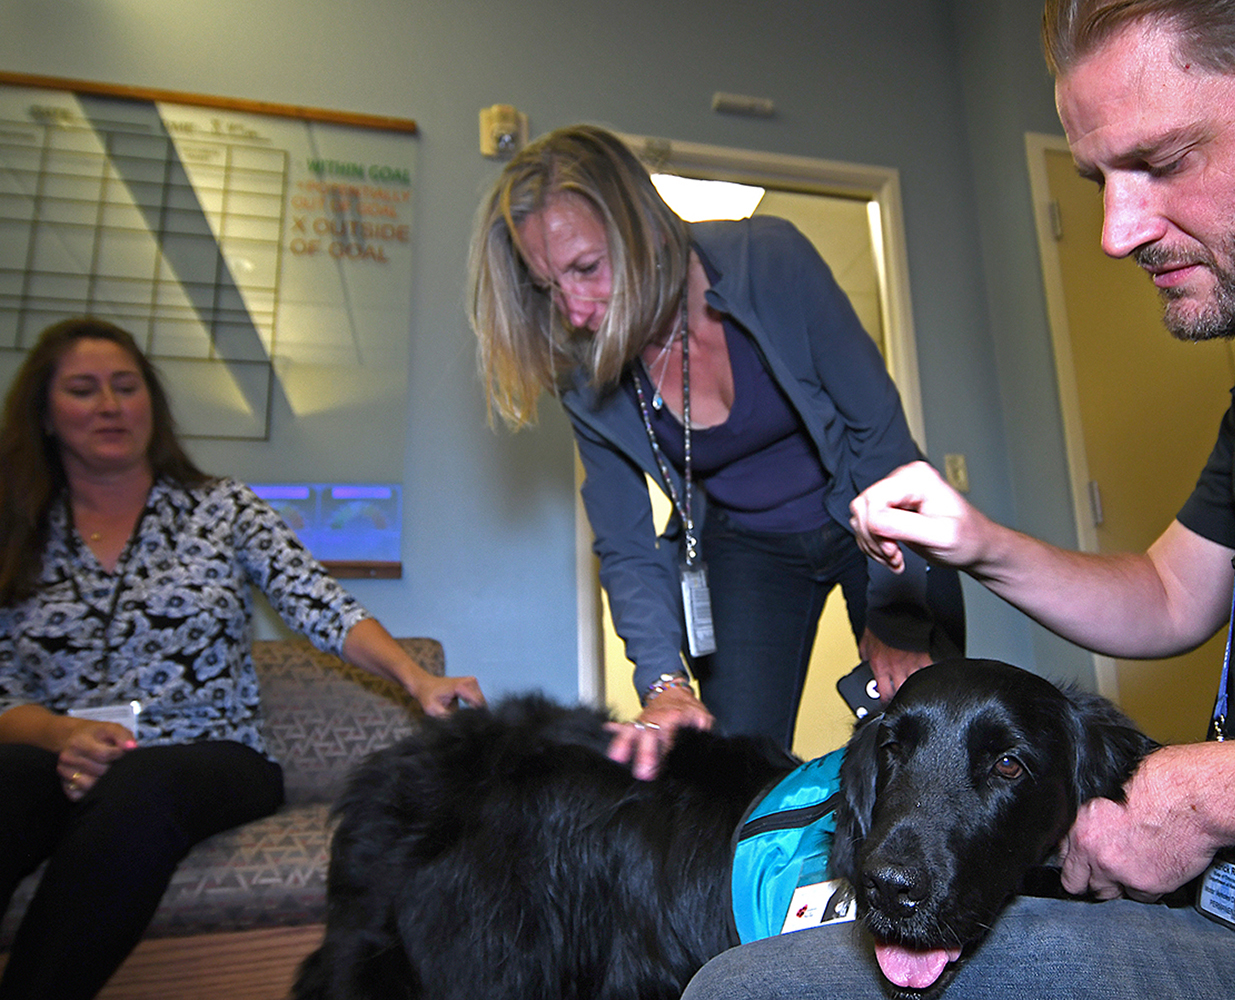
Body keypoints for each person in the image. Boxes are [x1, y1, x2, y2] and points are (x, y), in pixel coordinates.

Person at [682, 2, 1235, 999]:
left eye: (1163, 159)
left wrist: (1200, 794)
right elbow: (1163, 594)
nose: (1116, 231)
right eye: (1097, 179)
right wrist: (975, 540)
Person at [0, 317, 484, 1000]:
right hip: (61, 758)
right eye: (83, 389)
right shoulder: (17, 531)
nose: (109, 405)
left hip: (211, 758)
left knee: (140, 786)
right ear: (46, 414)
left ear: (152, 406)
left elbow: (321, 604)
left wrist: (415, 675)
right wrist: (59, 734)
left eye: (125, 387)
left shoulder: (220, 508)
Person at [468, 124, 963, 777]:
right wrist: (662, 683)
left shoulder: (771, 262)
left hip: (872, 521)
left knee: (939, 744)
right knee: (727, 775)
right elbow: (624, 542)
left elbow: (880, 436)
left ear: (642, 227)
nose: (576, 310)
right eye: (548, 287)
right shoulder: (582, 375)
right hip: (745, 551)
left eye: (587, 269)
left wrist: (896, 614)